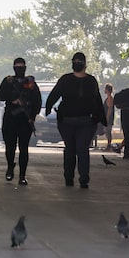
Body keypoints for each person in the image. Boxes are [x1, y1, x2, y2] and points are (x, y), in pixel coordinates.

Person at [45, 52, 106, 188]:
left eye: (79, 61)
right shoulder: (65, 80)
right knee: (70, 149)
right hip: (67, 121)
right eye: (75, 61)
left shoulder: (91, 81)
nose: (77, 63)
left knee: (82, 149)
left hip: (86, 122)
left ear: (85, 64)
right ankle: (69, 178)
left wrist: (101, 118)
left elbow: (97, 100)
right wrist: (48, 108)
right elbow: (54, 94)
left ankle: (84, 179)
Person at [0, 58, 42, 186]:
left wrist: (32, 116)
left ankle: (22, 175)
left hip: (25, 119)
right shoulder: (8, 81)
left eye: (21, 66)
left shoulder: (31, 83)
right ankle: (10, 167)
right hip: (11, 118)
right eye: (17, 66)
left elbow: (37, 100)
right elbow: (0, 96)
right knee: (10, 147)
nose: (19, 68)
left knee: (24, 149)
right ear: (13, 67)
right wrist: (13, 99)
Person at [102, 83, 115, 150]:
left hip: (108, 118)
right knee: (106, 131)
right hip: (107, 117)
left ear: (107, 89)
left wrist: (107, 118)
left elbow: (110, 109)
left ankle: (109, 145)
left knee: (108, 131)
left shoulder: (110, 98)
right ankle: (109, 144)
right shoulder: (108, 98)